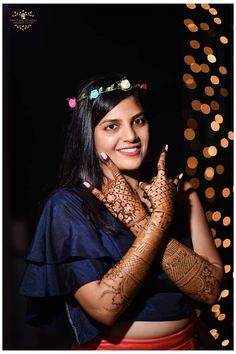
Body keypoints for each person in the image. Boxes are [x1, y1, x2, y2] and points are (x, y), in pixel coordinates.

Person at [19, 72, 224, 350]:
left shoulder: (179, 190)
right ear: (88, 137)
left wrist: (144, 219)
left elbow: (210, 290)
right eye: (111, 126)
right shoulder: (68, 205)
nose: (131, 136)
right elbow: (104, 308)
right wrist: (156, 221)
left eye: (138, 121)